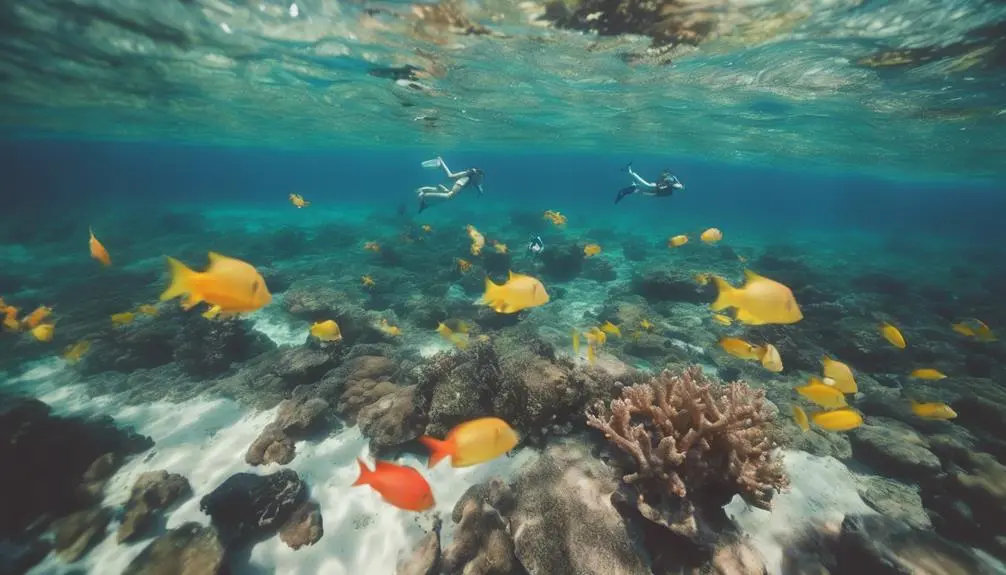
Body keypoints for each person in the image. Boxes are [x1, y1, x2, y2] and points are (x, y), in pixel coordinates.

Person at [417, 157, 485, 213]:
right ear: (477, 175)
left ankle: (430, 191)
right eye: (479, 178)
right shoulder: (467, 178)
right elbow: (477, 184)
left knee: (449, 183)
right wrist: (480, 191)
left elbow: (478, 185)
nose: (479, 180)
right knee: (449, 196)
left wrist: (479, 191)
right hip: (463, 180)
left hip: (464, 177)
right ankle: (424, 195)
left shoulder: (473, 177)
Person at [614, 163, 684, 204]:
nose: (664, 177)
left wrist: (647, 193)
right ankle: (631, 176)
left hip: (653, 190)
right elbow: (655, 188)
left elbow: (656, 193)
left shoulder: (669, 189)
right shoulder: (667, 182)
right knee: (646, 186)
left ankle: (633, 182)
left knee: (642, 188)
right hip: (653, 189)